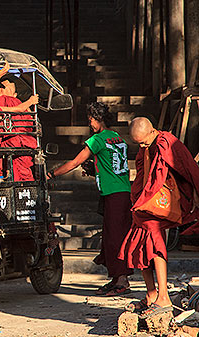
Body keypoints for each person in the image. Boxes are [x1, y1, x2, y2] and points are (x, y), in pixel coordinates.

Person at [48, 102, 133, 296]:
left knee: (115, 239)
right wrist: (96, 171)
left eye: (91, 120)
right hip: (122, 192)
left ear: (99, 119)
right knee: (114, 237)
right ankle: (116, 278)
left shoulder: (97, 139)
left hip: (114, 194)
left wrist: (52, 174)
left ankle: (122, 280)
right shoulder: (117, 138)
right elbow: (113, 166)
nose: (90, 124)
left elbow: (75, 162)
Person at [119, 117, 199, 317]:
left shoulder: (167, 143)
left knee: (154, 239)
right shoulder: (146, 146)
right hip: (147, 201)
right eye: (139, 143)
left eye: (144, 141)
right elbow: (142, 173)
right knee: (138, 239)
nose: (143, 146)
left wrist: (196, 193)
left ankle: (163, 296)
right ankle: (151, 294)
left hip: (164, 202)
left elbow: (189, 169)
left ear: (152, 130)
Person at [0, 69, 39, 179]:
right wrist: (30, 102)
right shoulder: (16, 104)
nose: (1, 93)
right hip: (17, 148)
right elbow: (28, 120)